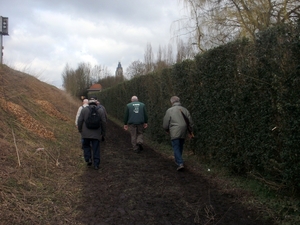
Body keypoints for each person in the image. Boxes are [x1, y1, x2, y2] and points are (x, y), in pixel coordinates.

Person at [163, 96, 194, 171]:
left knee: (176, 146)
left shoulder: (170, 110)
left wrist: (166, 129)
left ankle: (180, 163)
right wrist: (191, 131)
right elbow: (190, 121)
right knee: (180, 145)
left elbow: (166, 122)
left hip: (174, 130)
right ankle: (178, 160)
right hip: (184, 130)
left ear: (172, 102)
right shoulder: (185, 110)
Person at [77, 98, 107, 170]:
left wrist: (80, 129)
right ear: (96, 104)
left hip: (85, 133)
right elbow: (104, 122)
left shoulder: (84, 110)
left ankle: (88, 159)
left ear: (88, 103)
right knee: (96, 148)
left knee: (86, 146)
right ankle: (96, 164)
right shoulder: (100, 110)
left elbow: (80, 120)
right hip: (96, 133)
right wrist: (103, 132)